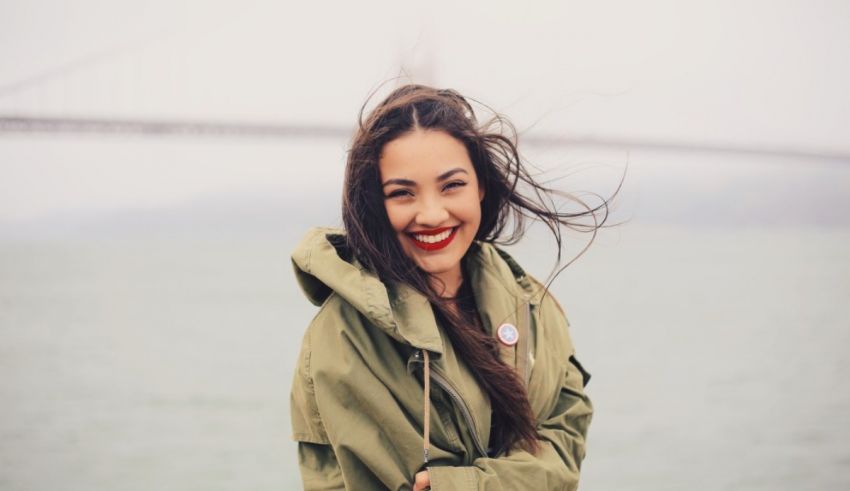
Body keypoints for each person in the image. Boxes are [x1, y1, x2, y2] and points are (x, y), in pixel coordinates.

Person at [290, 84, 610, 490]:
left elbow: (566, 435)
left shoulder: (528, 300)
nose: (431, 214)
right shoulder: (347, 337)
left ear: (480, 187)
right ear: (376, 204)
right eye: (402, 193)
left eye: (451, 185)